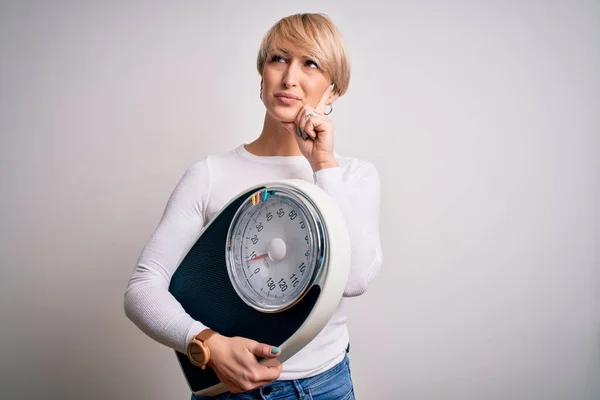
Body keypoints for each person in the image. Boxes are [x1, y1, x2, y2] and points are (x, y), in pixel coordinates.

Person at [124, 12, 383, 400]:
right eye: (278, 58)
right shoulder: (210, 173)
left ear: (333, 93)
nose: (289, 77)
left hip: (325, 385)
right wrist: (206, 344)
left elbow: (355, 279)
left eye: (310, 63)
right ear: (262, 75)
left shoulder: (353, 175)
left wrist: (322, 165)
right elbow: (142, 288)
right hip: (225, 389)